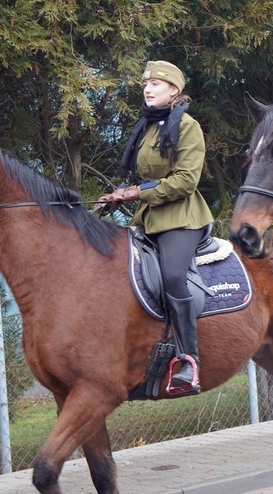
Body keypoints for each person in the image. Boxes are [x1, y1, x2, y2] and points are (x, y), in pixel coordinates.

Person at [97, 60, 214, 394]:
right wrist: (120, 195)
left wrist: (137, 192)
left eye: (156, 84)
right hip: (148, 218)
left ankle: (188, 361)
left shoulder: (188, 126)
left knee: (173, 276)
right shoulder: (148, 127)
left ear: (174, 90)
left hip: (182, 218)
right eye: (146, 85)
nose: (147, 89)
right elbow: (144, 179)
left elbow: (184, 182)